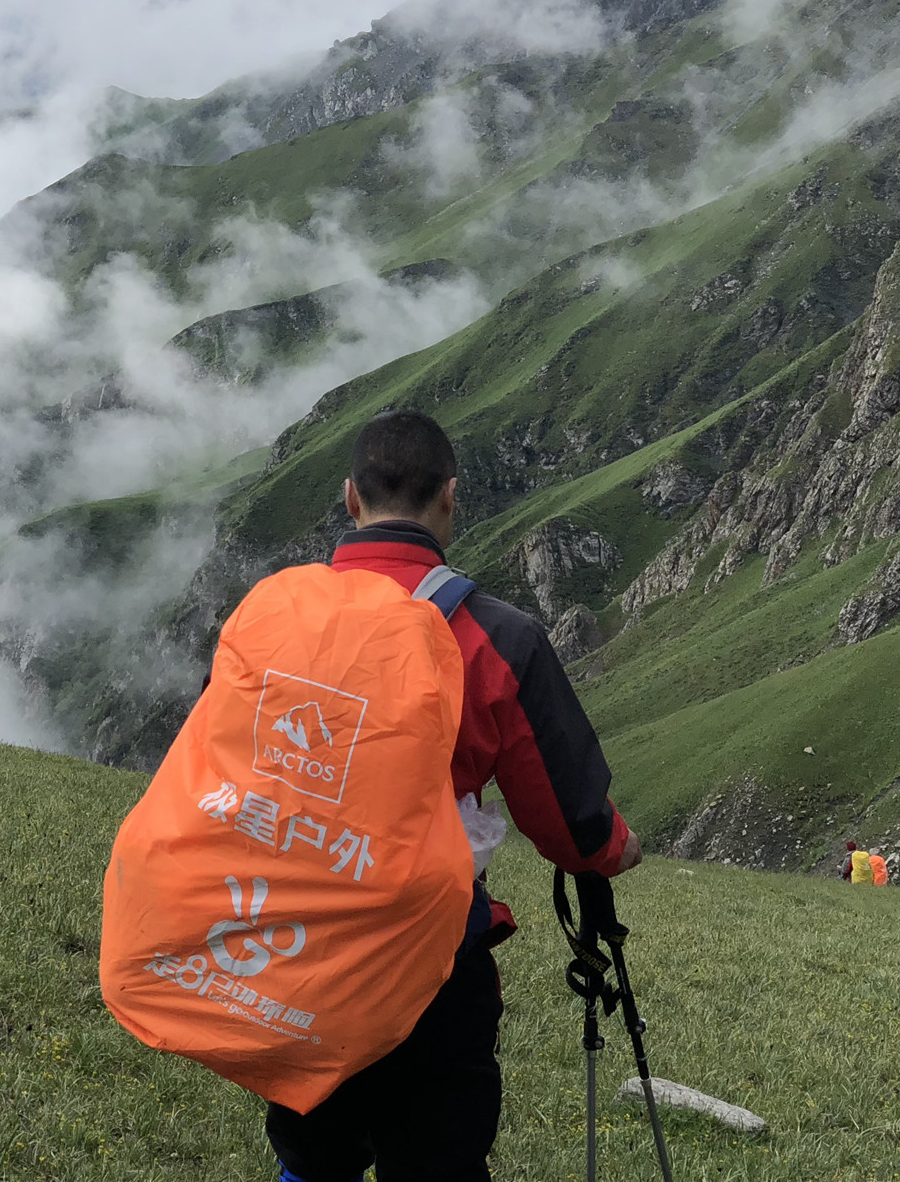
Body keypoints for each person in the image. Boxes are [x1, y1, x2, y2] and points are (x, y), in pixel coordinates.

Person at [265, 409, 641, 1182]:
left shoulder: (274, 615)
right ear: (451, 499)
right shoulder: (497, 638)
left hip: (296, 944)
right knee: (437, 1157)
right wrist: (615, 849)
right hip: (427, 958)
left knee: (313, 1154)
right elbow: (567, 824)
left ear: (349, 498)